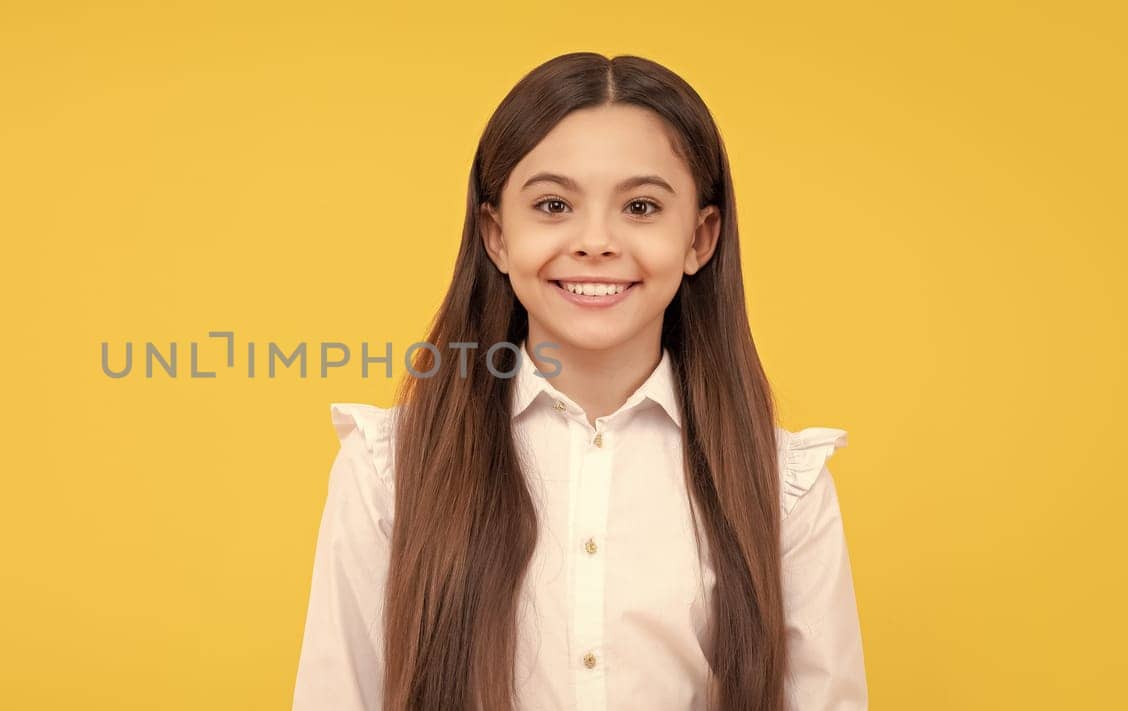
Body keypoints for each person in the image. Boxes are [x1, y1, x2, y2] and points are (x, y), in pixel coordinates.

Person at [290, 52, 867, 711]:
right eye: (554, 204)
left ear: (700, 238)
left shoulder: (783, 485)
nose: (595, 241)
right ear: (496, 235)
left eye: (642, 206)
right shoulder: (388, 468)